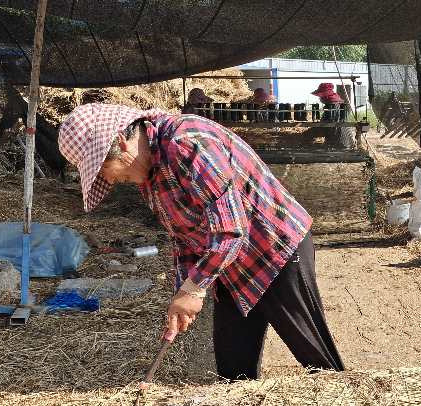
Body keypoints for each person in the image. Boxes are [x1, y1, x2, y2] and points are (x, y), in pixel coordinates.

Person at [57, 103, 344, 380]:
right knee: (233, 369)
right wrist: (183, 290)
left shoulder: (188, 142)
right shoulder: (149, 177)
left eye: (105, 169)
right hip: (228, 262)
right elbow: (184, 239)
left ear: (121, 142)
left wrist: (194, 290)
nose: (111, 179)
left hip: (273, 248)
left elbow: (230, 229)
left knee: (315, 357)